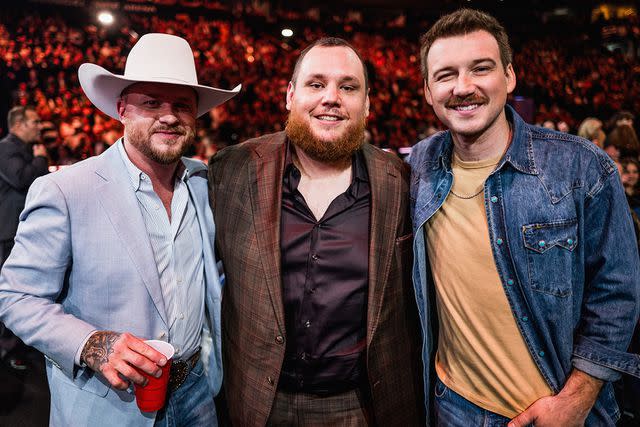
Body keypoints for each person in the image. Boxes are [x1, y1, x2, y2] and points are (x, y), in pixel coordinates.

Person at [409, 8, 639, 427]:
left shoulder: (581, 168)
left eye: (481, 68)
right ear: (427, 90)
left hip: (558, 411)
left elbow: (617, 295)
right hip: (451, 407)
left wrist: (575, 400)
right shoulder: (419, 168)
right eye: (445, 75)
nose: (464, 87)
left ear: (510, 76)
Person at [0, 33, 240, 426]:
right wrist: (91, 343)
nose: (168, 115)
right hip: (109, 405)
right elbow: (16, 295)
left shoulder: (202, 183)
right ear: (122, 109)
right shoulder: (66, 190)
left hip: (197, 393)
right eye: (151, 102)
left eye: (182, 104)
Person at [209, 37, 423, 425]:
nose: (331, 97)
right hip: (258, 401)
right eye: (316, 83)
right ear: (290, 95)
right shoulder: (232, 171)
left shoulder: (402, 183)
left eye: (348, 86)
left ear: (367, 103)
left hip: (359, 406)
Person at [0, 106, 49, 371]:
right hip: (9, 233)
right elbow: (22, 179)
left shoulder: (23, 149)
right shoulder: (6, 147)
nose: (39, 126)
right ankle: (9, 350)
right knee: (12, 291)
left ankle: (20, 344)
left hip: (22, 229)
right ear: (18, 124)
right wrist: (41, 159)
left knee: (29, 289)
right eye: (35, 121)